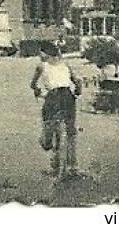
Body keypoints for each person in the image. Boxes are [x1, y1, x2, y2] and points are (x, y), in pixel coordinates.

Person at [30, 41, 80, 179]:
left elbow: (33, 84)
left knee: (48, 123)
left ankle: (47, 142)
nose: (39, 55)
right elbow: (77, 81)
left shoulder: (42, 66)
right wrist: (77, 92)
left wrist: (36, 90)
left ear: (45, 53)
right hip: (68, 97)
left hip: (53, 97)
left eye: (40, 52)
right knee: (70, 132)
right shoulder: (66, 65)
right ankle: (72, 166)